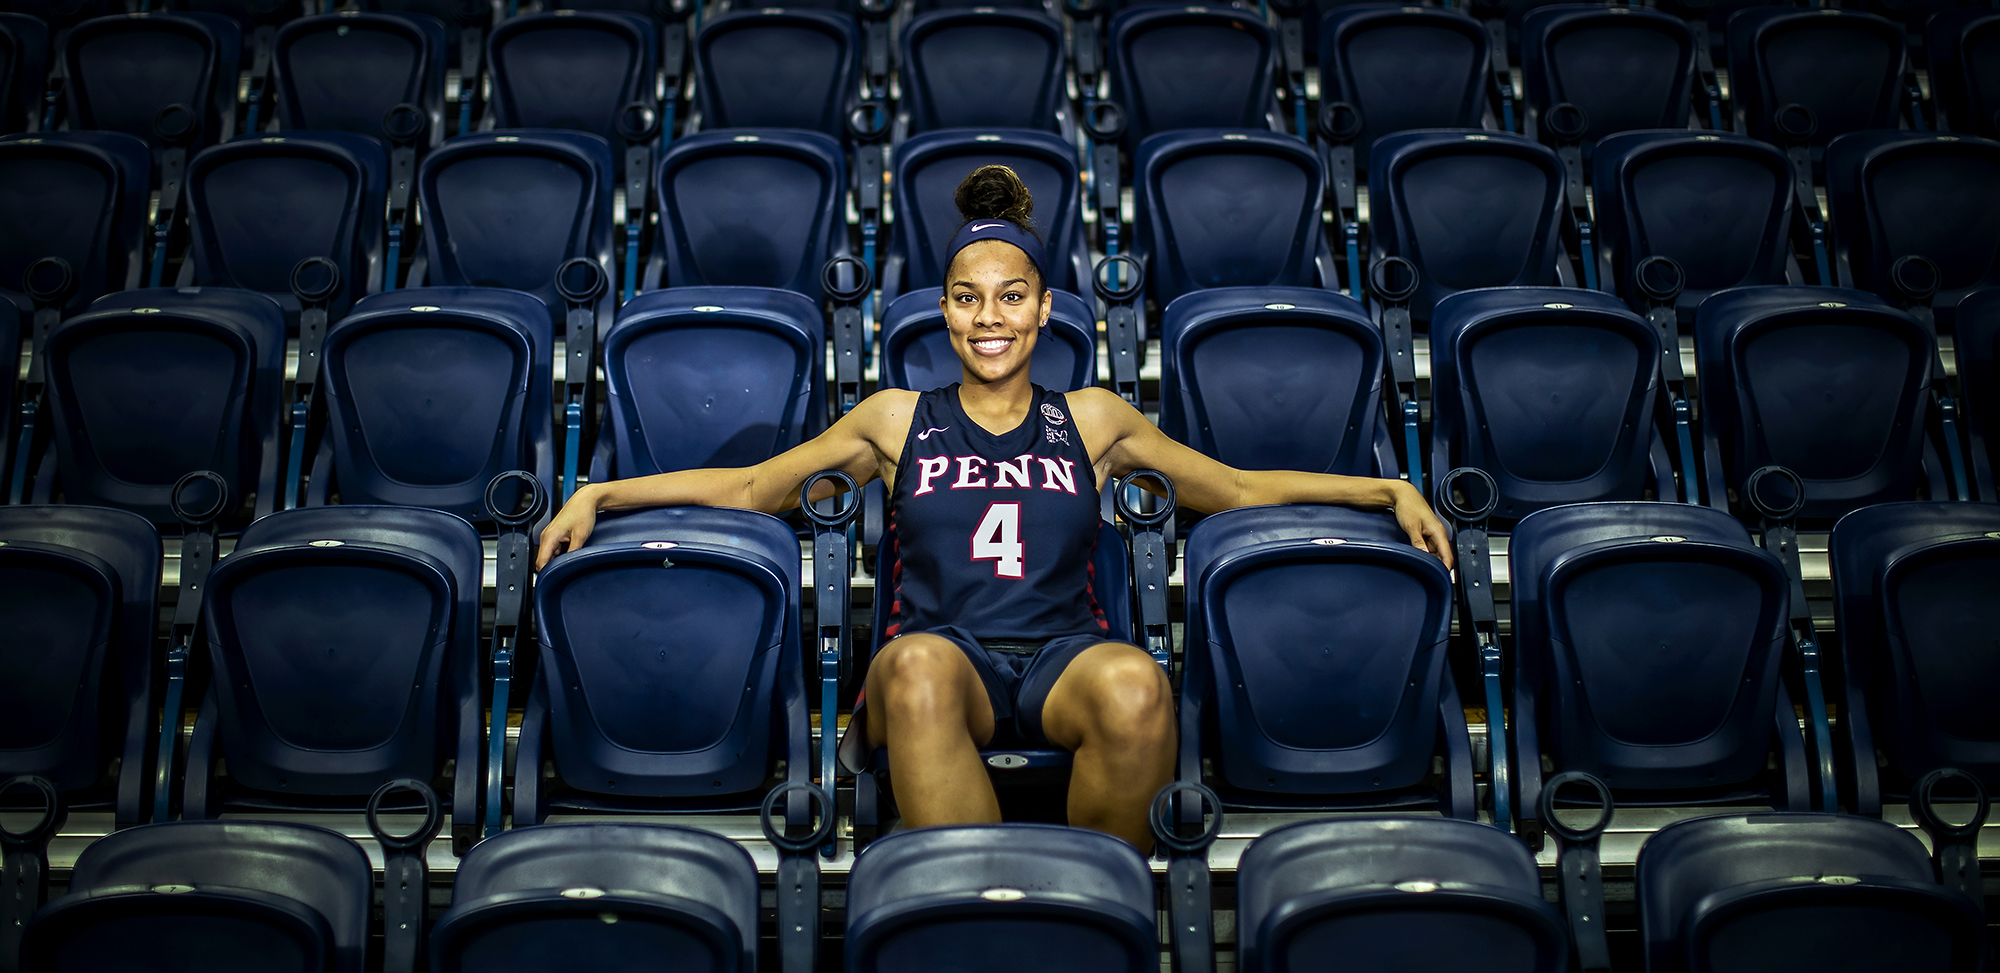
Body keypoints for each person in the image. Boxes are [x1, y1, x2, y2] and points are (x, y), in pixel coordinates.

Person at [535, 164, 1452, 849]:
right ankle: (977, 919)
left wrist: (1387, 486)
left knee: (1137, 682)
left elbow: (1240, 488)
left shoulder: (1092, 418)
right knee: (918, 668)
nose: (989, 317)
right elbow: (749, 489)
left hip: (1061, 655)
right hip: (944, 660)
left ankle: (1092, 919)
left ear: (1046, 309)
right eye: (968, 299)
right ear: (941, 310)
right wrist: (602, 489)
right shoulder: (895, 419)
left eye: (1011, 297)